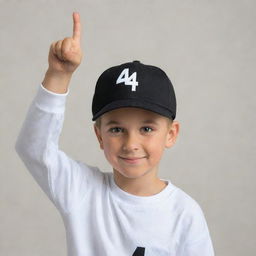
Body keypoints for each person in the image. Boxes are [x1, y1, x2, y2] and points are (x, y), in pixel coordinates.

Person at [15, 12, 215, 256]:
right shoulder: (82, 190)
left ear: (171, 134)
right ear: (99, 136)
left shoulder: (185, 214)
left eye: (147, 129)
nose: (131, 144)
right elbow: (33, 148)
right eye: (117, 129)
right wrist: (58, 75)